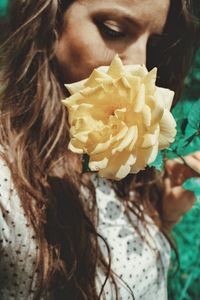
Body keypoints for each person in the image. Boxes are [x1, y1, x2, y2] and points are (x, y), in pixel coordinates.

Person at [0, 0, 199, 299]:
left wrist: (163, 218)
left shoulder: (119, 147)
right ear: (51, 20)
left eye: (153, 43)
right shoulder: (6, 184)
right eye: (114, 30)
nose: (139, 66)